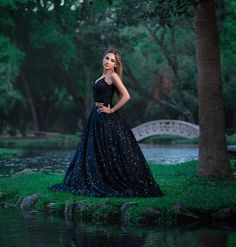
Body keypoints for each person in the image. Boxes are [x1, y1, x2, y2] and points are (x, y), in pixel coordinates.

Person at [49, 48, 163, 197]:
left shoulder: (113, 76)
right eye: (107, 58)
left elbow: (126, 96)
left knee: (109, 151)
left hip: (106, 118)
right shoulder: (102, 76)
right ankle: (97, 178)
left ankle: (109, 180)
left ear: (116, 65)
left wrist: (112, 110)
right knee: (93, 151)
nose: (108, 62)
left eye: (112, 60)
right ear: (103, 59)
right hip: (95, 116)